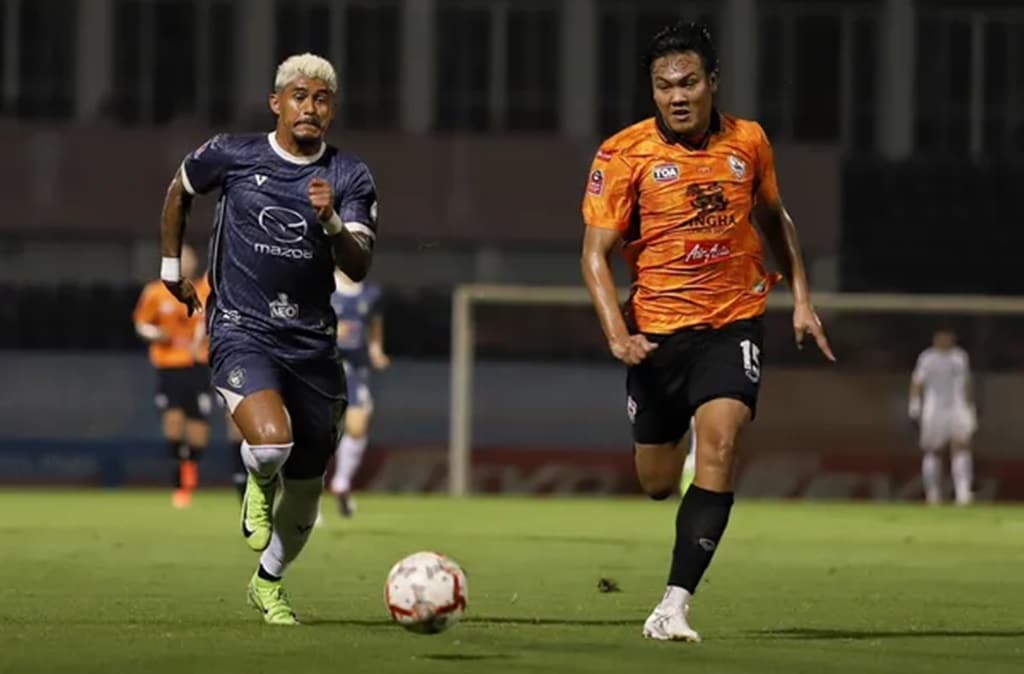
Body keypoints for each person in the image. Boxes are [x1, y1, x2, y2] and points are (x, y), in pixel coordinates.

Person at [580, 22, 834, 642]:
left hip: (732, 322)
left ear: (713, 82)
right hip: (656, 335)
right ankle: (684, 445)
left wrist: (801, 299)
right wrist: (618, 336)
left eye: (689, 82)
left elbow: (775, 220)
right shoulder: (623, 154)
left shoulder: (749, 142)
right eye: (664, 86)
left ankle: (673, 605)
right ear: (652, 90)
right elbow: (594, 257)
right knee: (657, 483)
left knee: (721, 443)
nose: (677, 96)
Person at [158, 52, 378, 625]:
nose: (310, 107)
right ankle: (258, 480)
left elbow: (357, 268)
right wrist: (167, 270)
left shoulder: (350, 175)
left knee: (307, 490)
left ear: (332, 110)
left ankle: (268, 583)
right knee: (272, 445)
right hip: (241, 327)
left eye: (322, 99)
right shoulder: (232, 154)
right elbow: (179, 192)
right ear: (276, 103)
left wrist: (331, 221)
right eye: (299, 96)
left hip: (311, 345)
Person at [133, 243, 210, 509]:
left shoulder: (205, 290)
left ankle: (191, 464)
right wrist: (157, 335)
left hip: (199, 364)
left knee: (199, 431)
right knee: (174, 422)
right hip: (169, 365)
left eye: (188, 257)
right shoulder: (155, 292)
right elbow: (142, 324)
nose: (185, 262)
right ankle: (179, 483)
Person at [328, 269, 390, 517]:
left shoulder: (371, 293)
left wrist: (376, 349)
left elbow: (375, 323)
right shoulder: (322, 286)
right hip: (321, 367)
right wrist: (331, 330)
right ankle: (301, 495)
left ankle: (341, 483)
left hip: (355, 368)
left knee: (357, 426)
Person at [193, 270, 247, 501]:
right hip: (231, 358)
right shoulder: (213, 280)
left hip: (266, 353)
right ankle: (241, 477)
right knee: (235, 419)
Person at [909, 329, 976, 506]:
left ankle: (963, 493)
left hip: (957, 406)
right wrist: (915, 405)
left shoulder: (960, 356)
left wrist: (970, 407)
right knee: (933, 450)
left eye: (949, 337)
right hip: (934, 408)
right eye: (942, 337)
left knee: (961, 446)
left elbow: (966, 383)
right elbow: (917, 382)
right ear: (936, 338)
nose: (946, 340)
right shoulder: (927, 358)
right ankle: (932, 493)